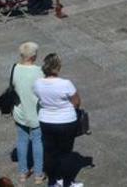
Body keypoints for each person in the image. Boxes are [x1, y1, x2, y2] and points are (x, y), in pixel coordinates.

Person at [34, 53, 83, 187]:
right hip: (66, 122)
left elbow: (39, 98)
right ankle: (66, 182)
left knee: (50, 152)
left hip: (46, 121)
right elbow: (76, 102)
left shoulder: (37, 83)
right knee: (66, 153)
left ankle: (53, 182)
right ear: (57, 67)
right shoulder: (66, 84)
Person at [10, 42, 45, 184]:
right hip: (36, 113)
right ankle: (38, 174)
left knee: (22, 141)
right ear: (34, 56)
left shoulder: (14, 69)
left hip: (19, 112)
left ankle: (23, 173)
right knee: (37, 141)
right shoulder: (39, 72)